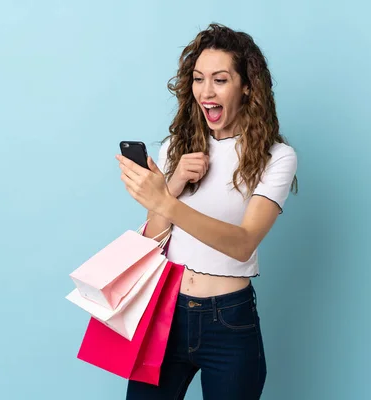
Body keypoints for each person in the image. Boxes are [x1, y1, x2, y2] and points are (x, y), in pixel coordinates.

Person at [116, 23, 298, 400]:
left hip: (228, 321)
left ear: (247, 86)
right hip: (166, 313)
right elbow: (152, 240)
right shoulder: (174, 149)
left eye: (220, 79)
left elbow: (243, 243)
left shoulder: (275, 158)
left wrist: (164, 200)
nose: (206, 91)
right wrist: (174, 183)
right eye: (199, 79)